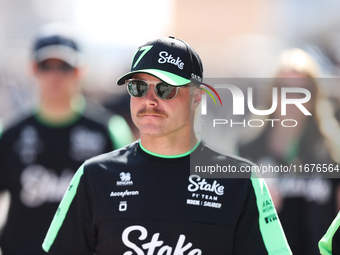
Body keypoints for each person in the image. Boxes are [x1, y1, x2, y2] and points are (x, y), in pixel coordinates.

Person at [42, 36, 292, 255]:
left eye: (165, 89)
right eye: (138, 87)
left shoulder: (241, 179)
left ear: (196, 97)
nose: (149, 100)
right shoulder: (94, 175)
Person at [0, 23, 134, 255]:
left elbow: (128, 205)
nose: (55, 75)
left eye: (64, 66)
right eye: (46, 66)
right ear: (32, 69)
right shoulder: (9, 134)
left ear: (80, 70)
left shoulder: (108, 130)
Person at [238, 48, 340, 255]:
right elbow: (236, 217)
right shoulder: (249, 149)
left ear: (314, 97)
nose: (292, 99)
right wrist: (255, 203)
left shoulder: (332, 152)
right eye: (284, 90)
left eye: (301, 91)